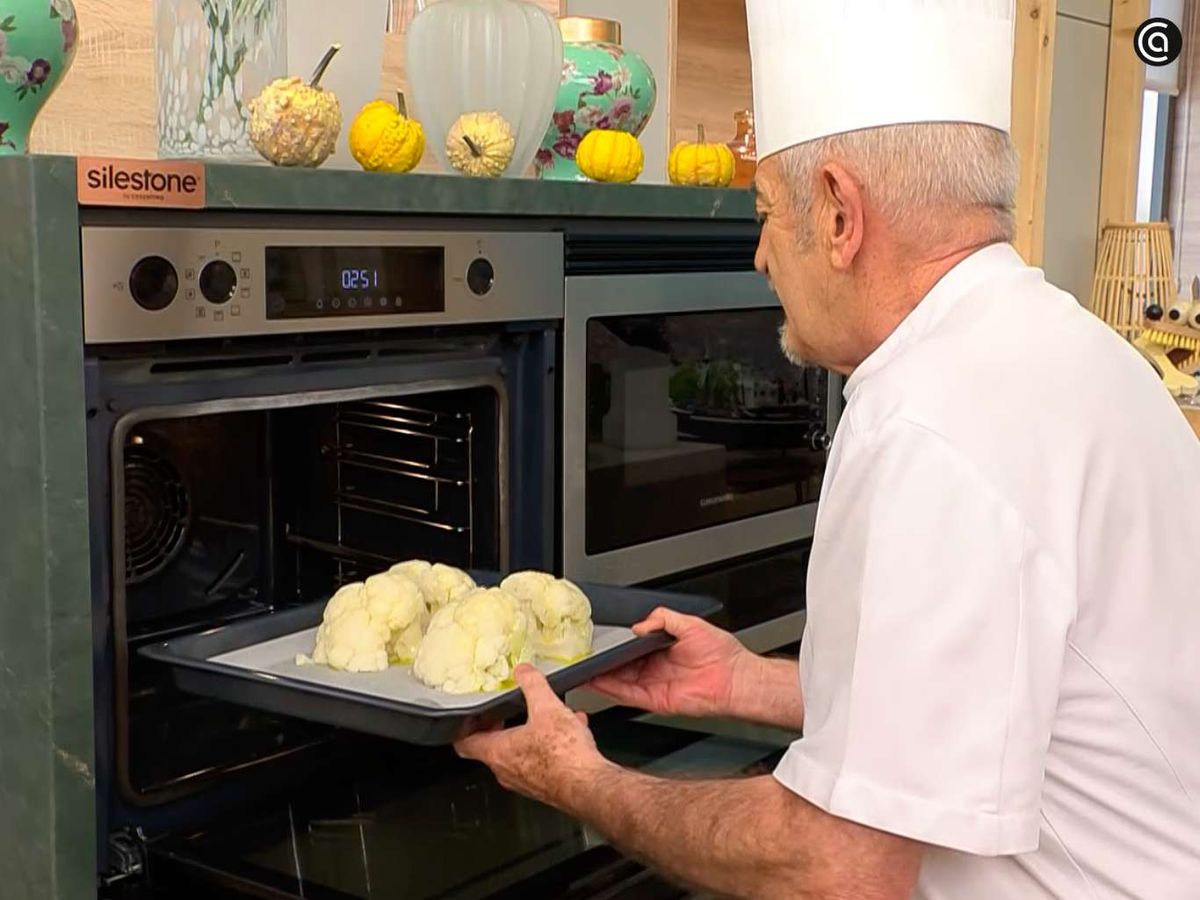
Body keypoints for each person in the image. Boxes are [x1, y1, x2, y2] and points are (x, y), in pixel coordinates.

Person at [456, 1, 1200, 897]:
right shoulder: (1059, 346)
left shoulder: (932, 424)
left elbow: (836, 867)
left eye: (768, 212)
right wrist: (748, 684)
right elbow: (995, 694)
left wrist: (582, 781)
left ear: (841, 214)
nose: (763, 255)